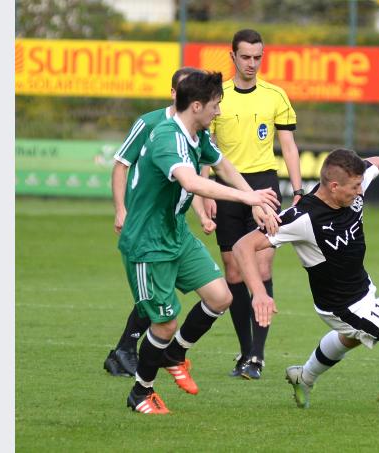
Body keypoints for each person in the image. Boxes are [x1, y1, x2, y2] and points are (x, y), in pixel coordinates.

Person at [233, 149, 379, 418]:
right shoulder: (303, 217)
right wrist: (258, 293)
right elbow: (243, 246)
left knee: (352, 338)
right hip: (344, 307)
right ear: (334, 186)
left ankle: (304, 376)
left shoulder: (353, 186)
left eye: (361, 184)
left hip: (361, 290)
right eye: (355, 187)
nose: (360, 192)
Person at [119, 71, 281, 414]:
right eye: (215, 105)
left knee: (221, 296)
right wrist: (248, 200)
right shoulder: (167, 137)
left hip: (176, 233)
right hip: (149, 242)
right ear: (196, 106)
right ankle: (140, 393)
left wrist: (255, 199)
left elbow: (223, 165)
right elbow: (192, 183)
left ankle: (175, 355)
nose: (219, 112)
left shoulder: (197, 133)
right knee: (164, 324)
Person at [104, 67, 216, 377]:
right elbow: (121, 165)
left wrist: (204, 213)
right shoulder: (151, 123)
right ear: (175, 95)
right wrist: (120, 209)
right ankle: (129, 354)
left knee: (174, 296)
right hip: (146, 223)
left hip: (173, 223)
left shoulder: (196, 132)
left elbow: (192, 180)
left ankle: (138, 351)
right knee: (157, 298)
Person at [206, 28, 303, 380]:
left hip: (264, 188)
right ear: (231, 57)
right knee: (233, 273)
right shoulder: (218, 98)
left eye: (257, 57)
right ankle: (245, 351)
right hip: (228, 190)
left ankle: (258, 358)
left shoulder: (275, 95)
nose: (251, 63)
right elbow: (208, 149)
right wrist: (205, 194)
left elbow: (288, 146)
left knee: (261, 271)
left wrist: (297, 190)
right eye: (245, 57)